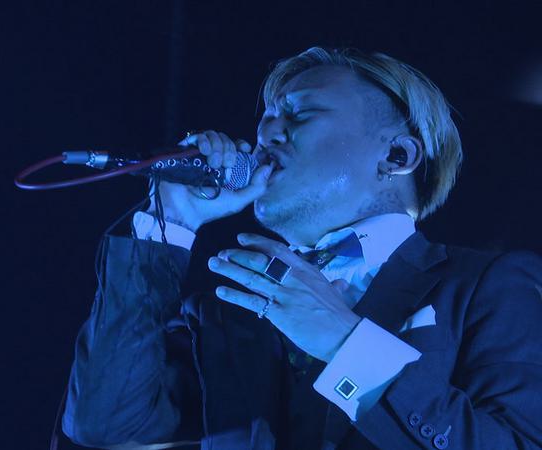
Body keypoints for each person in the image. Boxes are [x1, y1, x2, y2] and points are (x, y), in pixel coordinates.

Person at [60, 47, 542, 449]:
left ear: (397, 154)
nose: (265, 134)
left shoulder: (487, 286)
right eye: (266, 119)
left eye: (299, 113)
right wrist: (172, 221)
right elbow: (106, 423)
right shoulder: (225, 311)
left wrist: (345, 344)